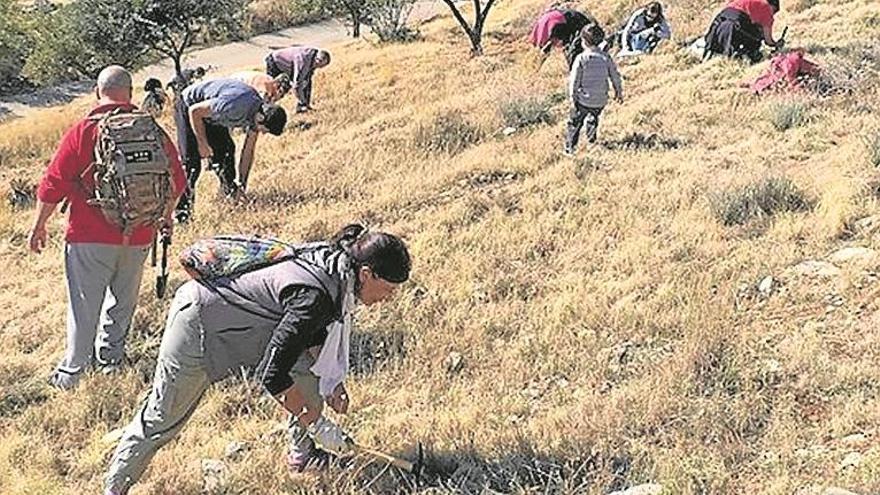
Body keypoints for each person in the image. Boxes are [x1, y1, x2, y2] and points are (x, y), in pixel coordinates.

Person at [103, 224, 412, 494]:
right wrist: (316, 423)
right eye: (386, 290)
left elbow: (309, 333)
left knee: (310, 370)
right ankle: (115, 487)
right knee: (163, 418)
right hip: (198, 324)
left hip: (239, 326)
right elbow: (273, 373)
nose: (388, 299)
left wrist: (331, 381)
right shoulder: (319, 293)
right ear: (366, 273)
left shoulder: (336, 271)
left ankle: (302, 457)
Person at [28, 65, 187, 390]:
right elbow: (178, 180)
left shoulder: (83, 130)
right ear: (130, 93)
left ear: (97, 92)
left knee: (84, 304)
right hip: (141, 232)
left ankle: (73, 373)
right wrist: (164, 215)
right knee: (123, 302)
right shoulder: (151, 129)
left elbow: (52, 184)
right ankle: (111, 362)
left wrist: (39, 225)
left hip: (89, 236)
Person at [173, 78, 287, 223]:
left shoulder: (258, 113)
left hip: (212, 115)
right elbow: (195, 112)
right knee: (191, 165)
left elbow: (248, 150)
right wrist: (202, 143)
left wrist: (241, 184)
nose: (263, 133)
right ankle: (182, 215)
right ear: (260, 118)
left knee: (226, 152)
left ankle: (231, 195)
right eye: (265, 130)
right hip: (188, 106)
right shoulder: (233, 105)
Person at [565, 23, 623, 155]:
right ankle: (591, 141)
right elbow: (615, 76)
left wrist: (572, 98)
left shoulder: (581, 58)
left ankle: (570, 149)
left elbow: (574, 81)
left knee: (574, 123)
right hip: (600, 100)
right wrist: (618, 92)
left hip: (584, 100)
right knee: (593, 117)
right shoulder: (606, 57)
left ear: (584, 42)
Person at [704, 0, 783, 62]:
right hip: (736, 23)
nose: (772, 15)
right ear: (773, 6)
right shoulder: (766, 7)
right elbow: (768, 40)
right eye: (774, 12)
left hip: (719, 23)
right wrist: (776, 44)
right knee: (757, 37)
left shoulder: (742, 2)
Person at [265, 46, 331, 113]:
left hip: (289, 66)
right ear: (317, 60)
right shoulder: (303, 61)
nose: (318, 68)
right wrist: (302, 101)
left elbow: (307, 79)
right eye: (319, 66)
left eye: (322, 67)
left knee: (307, 82)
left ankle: (303, 107)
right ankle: (266, 108)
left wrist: (305, 103)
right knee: (272, 88)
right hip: (274, 61)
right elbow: (297, 85)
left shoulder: (314, 56)